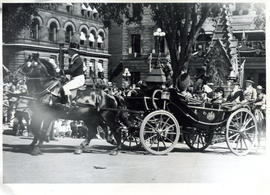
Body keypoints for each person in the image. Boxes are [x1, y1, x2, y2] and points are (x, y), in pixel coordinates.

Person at [61, 34, 85, 105]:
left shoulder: (78, 60)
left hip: (79, 80)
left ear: (73, 51)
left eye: (69, 51)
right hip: (75, 78)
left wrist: (61, 71)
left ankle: (69, 104)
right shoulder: (74, 59)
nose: (68, 52)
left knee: (65, 87)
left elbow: (71, 70)